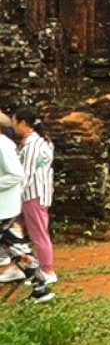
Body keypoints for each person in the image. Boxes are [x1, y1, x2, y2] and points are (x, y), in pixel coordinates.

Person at [0, 111, 52, 302]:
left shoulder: (3, 144)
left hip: (6, 207)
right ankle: (40, 286)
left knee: (20, 247)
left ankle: (42, 282)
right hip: (6, 206)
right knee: (17, 248)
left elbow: (17, 174)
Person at [13, 106, 55, 287]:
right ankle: (29, 267)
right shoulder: (41, 141)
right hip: (38, 192)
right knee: (20, 233)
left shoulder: (32, 146)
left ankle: (47, 270)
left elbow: (27, 175)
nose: (13, 126)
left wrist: (14, 195)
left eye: (15, 122)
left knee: (38, 234)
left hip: (33, 194)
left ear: (23, 123)